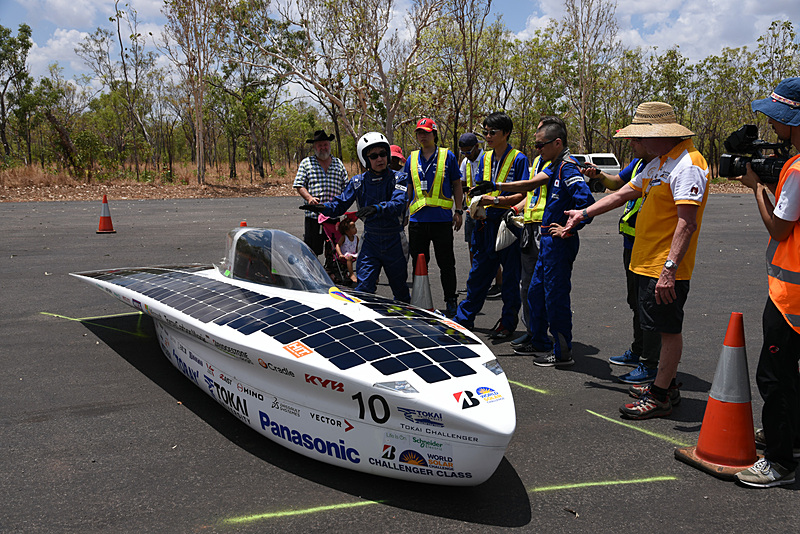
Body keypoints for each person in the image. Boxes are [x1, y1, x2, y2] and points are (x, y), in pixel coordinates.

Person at [562, 101, 708, 418]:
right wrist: (584, 213)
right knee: (653, 323)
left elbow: (687, 223)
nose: (632, 142)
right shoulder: (660, 162)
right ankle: (665, 384)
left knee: (667, 330)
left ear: (660, 134)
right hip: (646, 262)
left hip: (664, 267)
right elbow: (623, 193)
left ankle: (659, 396)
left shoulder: (688, 165)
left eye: (638, 136)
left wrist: (669, 269)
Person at [476, 119, 594, 365]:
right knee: (534, 292)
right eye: (536, 145)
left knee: (555, 297)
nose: (537, 150)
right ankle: (538, 340)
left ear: (557, 143)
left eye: (541, 145)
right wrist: (497, 186)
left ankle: (563, 353)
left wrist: (570, 226)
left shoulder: (569, 167)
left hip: (559, 243)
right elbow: (531, 184)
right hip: (545, 241)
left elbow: (587, 203)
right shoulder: (554, 164)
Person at [731, 77, 800, 488]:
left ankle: (777, 461)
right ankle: (790, 438)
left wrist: (757, 187)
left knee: (774, 376)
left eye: (779, 118)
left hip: (789, 297)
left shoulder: (797, 168)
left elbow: (778, 228)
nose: (774, 126)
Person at [583, 139, 662, 384]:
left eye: (636, 141)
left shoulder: (664, 167)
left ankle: (650, 363)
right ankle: (638, 350)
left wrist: (584, 213)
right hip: (631, 243)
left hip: (651, 246)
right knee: (635, 301)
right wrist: (598, 174)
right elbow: (616, 184)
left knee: (649, 306)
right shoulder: (639, 164)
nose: (631, 145)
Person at [300, 132, 410, 302]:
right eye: (373, 156)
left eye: (383, 154)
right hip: (371, 240)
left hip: (394, 239)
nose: (379, 159)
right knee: (364, 288)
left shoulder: (399, 178)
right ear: (365, 159)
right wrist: (322, 209)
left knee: (400, 289)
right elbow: (340, 204)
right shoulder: (358, 182)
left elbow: (399, 203)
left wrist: (377, 208)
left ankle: (403, 326)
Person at [454, 112, 528, 339]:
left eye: (492, 132)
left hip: (507, 223)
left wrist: (494, 201)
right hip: (484, 224)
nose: (487, 136)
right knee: (478, 275)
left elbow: (523, 194)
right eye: (485, 131)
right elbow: (479, 188)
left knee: (510, 278)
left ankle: (507, 323)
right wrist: (476, 205)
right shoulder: (484, 159)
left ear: (506, 133)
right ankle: (463, 319)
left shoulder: (519, 158)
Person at [404, 118, 464, 317]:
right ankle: (420, 299)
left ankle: (451, 299)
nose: (422, 136)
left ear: (434, 134)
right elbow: (408, 188)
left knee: (446, 262)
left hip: (441, 220)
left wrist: (458, 210)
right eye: (419, 132)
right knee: (419, 262)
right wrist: (405, 213)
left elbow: (457, 184)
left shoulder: (448, 156)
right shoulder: (411, 158)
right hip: (417, 221)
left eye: (426, 132)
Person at [293, 130, 349, 271]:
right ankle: (311, 274)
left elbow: (347, 187)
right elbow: (299, 184)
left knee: (333, 247)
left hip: (333, 215)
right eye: (320, 145)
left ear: (329, 145)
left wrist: (342, 204)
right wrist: (309, 198)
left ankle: (333, 273)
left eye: (325, 144)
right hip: (314, 216)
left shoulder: (338, 163)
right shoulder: (307, 163)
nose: (323, 148)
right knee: (312, 248)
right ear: (314, 147)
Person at [459, 132, 502, 298]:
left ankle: (499, 283)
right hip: (472, 210)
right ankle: (476, 283)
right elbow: (462, 183)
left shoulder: (488, 159)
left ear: (476, 147)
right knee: (473, 247)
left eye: (468, 151)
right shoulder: (465, 162)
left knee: (491, 248)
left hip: (489, 209)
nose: (466, 155)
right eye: (463, 152)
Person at [335, 218, 359, 284]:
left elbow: (357, 247)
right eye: (353, 227)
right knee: (349, 257)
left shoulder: (356, 238)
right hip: (345, 254)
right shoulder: (344, 237)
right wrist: (340, 254)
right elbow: (338, 245)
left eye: (355, 226)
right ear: (347, 231)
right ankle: (351, 274)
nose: (355, 228)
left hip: (353, 254)